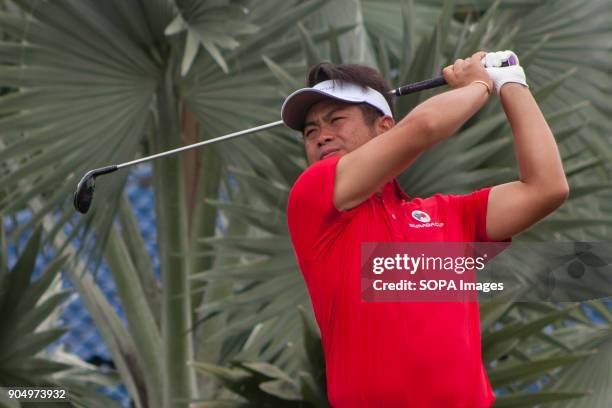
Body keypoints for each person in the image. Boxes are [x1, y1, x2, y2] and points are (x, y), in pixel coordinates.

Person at [281, 50, 569, 407]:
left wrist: (511, 82)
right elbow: (424, 128)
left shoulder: (449, 215)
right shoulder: (314, 196)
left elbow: (546, 188)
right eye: (310, 131)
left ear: (385, 127)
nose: (321, 136)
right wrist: (479, 83)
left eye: (336, 119)